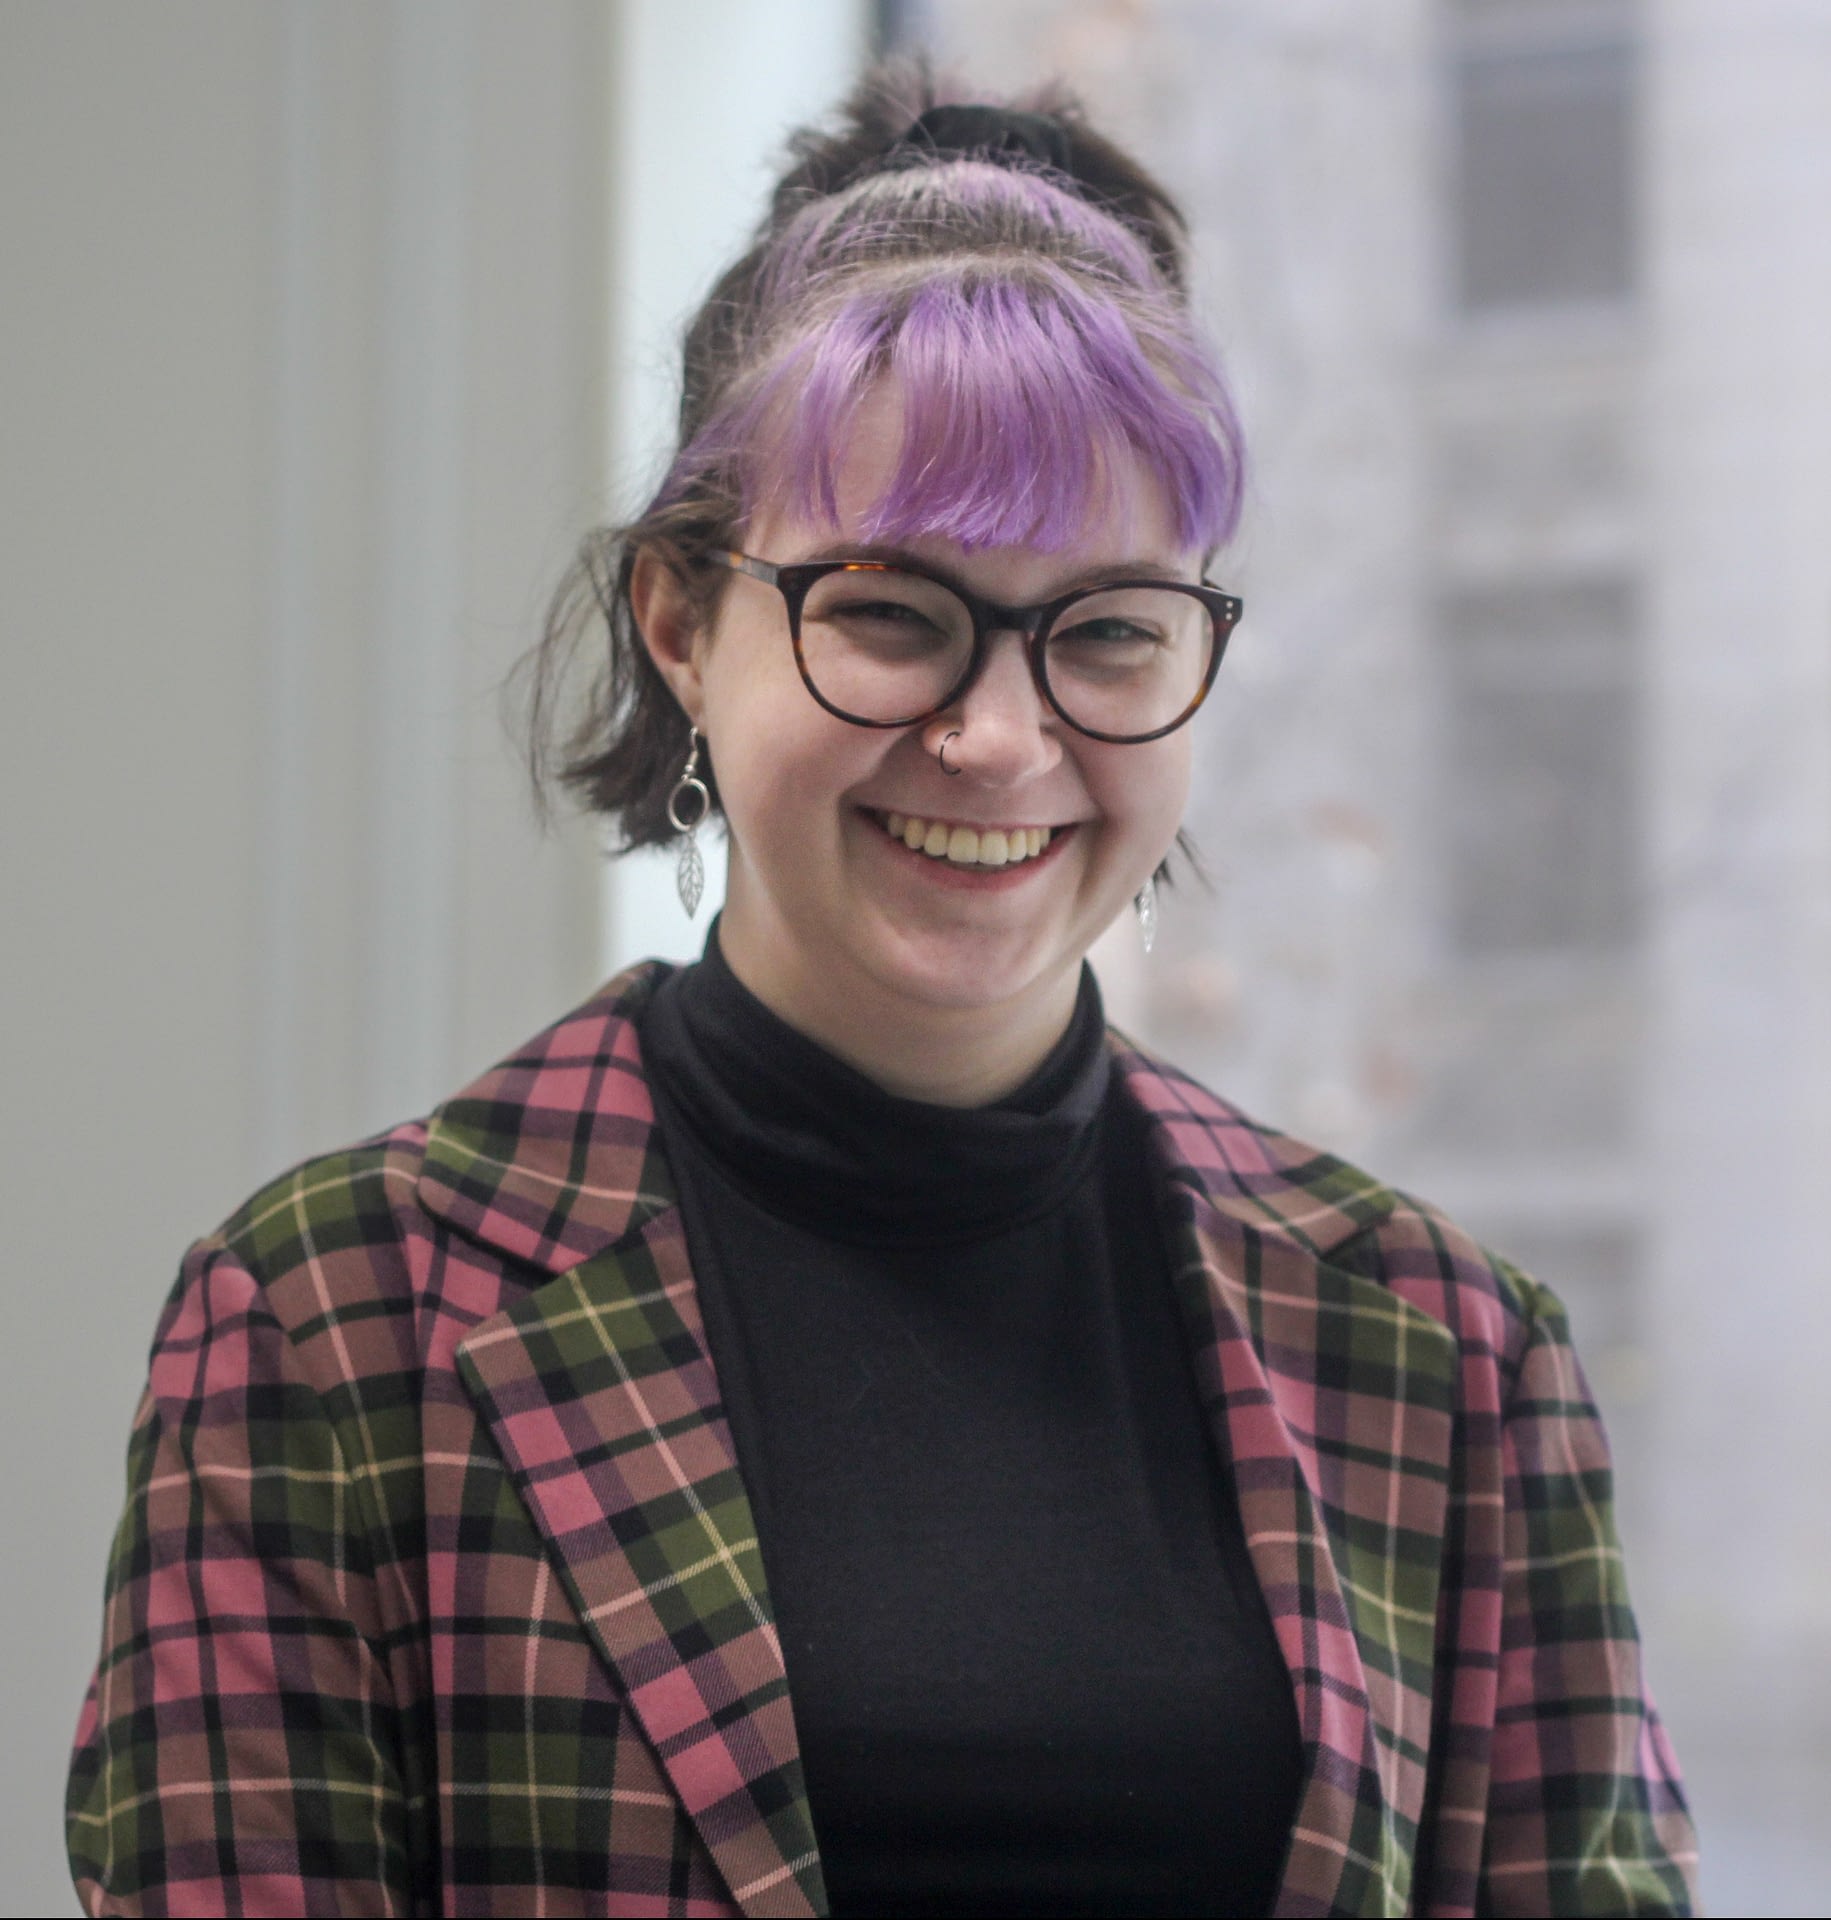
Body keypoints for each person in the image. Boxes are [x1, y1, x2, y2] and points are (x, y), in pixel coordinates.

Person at [66, 64, 1698, 1920]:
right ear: (681, 622)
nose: (1002, 740)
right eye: (893, 614)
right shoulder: (329, 1327)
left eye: (1106, 634)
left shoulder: (1453, 1359)